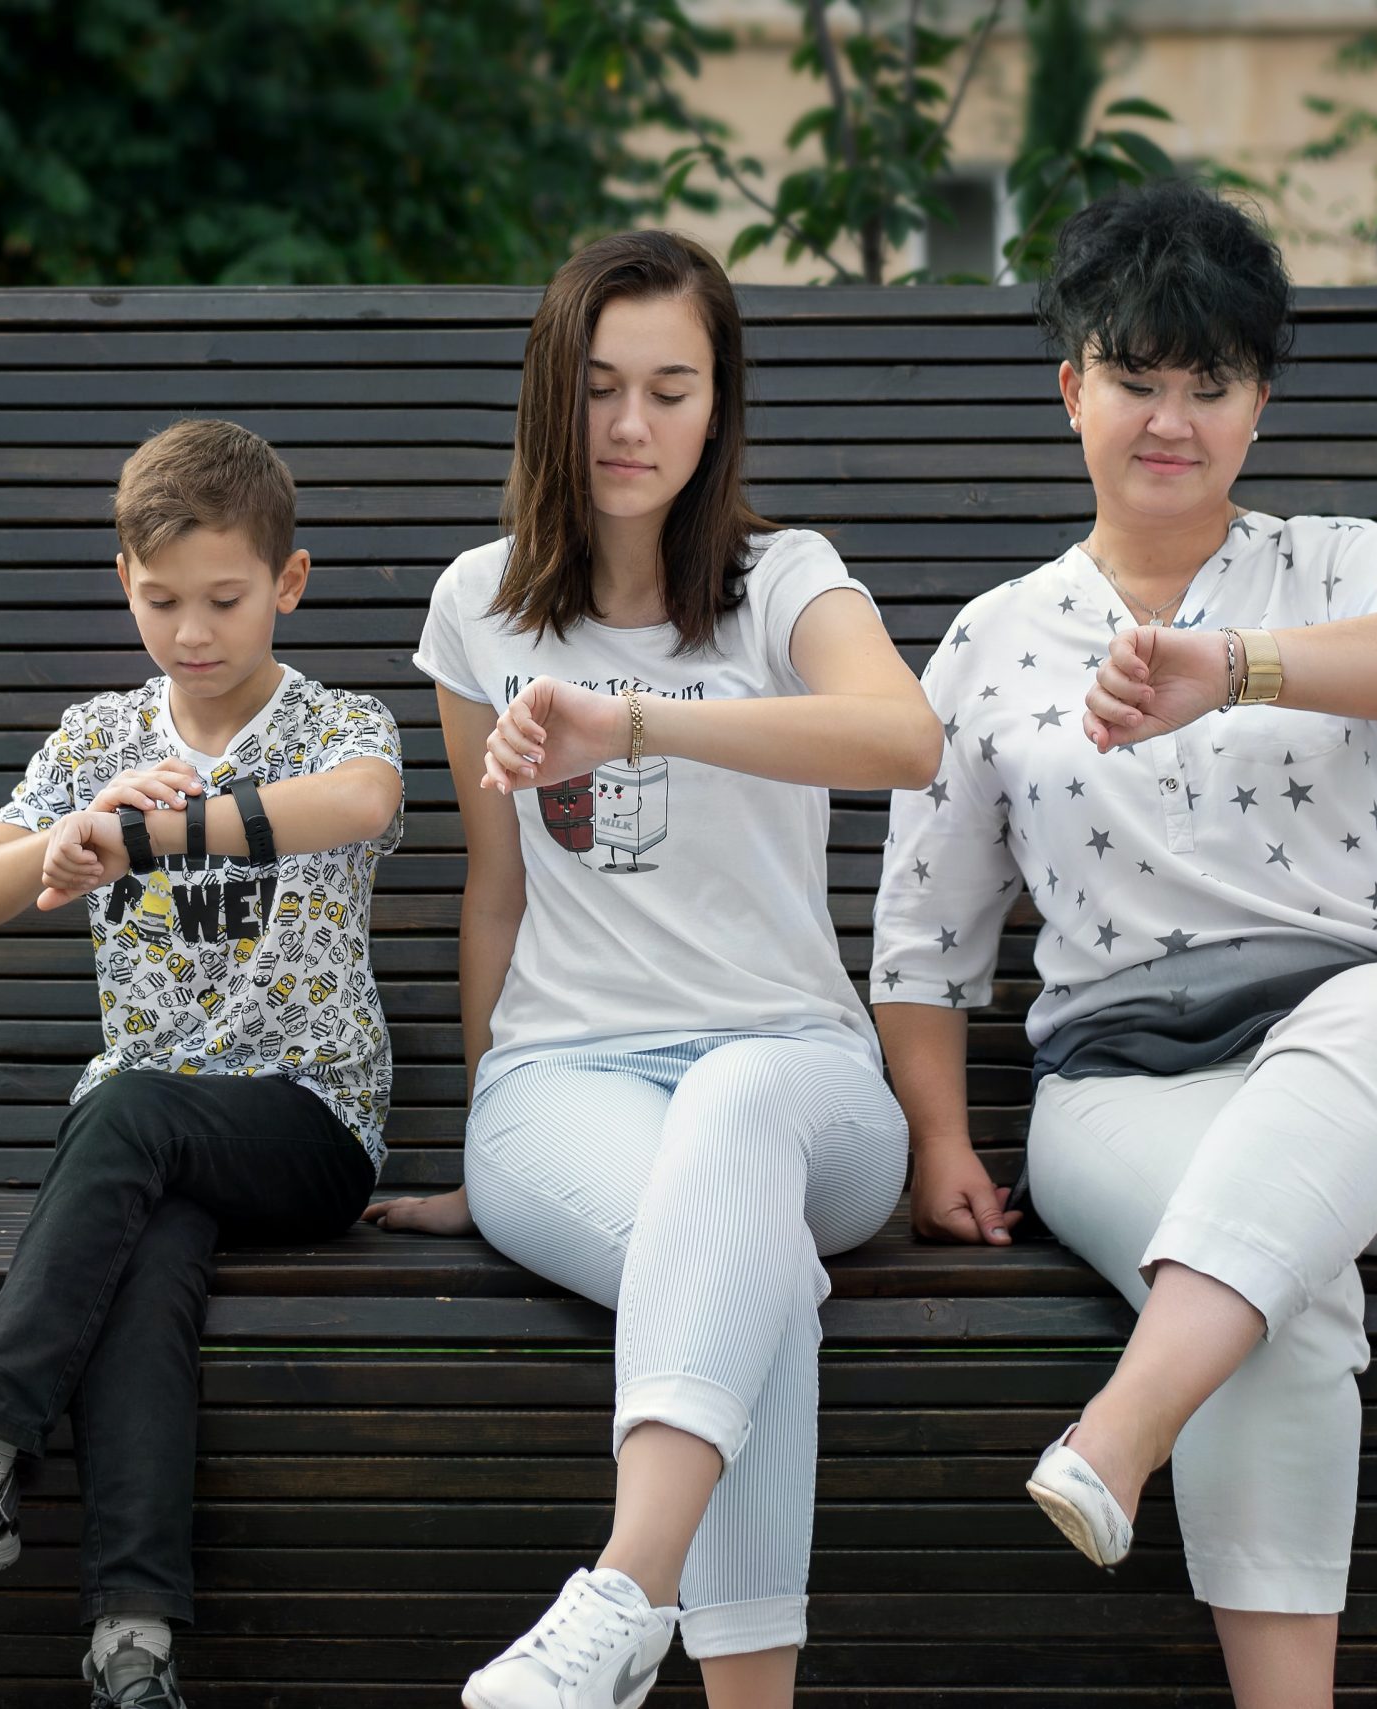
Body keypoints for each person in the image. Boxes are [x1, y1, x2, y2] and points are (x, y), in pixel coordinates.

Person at [869, 181, 1377, 1709]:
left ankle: (1119, 1436)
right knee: (1271, 1280)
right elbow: (927, 933)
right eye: (1134, 378)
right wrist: (941, 1135)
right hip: (1127, 1091)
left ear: (1258, 404)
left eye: (1209, 385)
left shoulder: (1343, 566)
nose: (1169, 419)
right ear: (1071, 388)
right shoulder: (995, 639)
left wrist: (1235, 669)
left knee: (1373, 1018)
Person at [363, 229, 941, 1709]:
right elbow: (495, 892)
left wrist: (637, 723)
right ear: (553, 396)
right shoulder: (479, 604)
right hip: (570, 1082)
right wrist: (492, 1128)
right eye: (601, 386)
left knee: (742, 1128)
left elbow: (903, 736)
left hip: (805, 1082)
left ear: (718, 402)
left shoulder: (782, 583)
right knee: (755, 1280)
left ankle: (622, 1590)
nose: (630, 427)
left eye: (671, 389)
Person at [0, 418, 404, 1709]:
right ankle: (135, 1647)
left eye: (225, 598)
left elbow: (364, 807)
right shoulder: (97, 735)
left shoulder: (340, 719)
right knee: (145, 1264)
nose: (192, 631)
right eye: (161, 599)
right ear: (125, 578)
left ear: (287, 582)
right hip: (139, 1150)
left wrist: (155, 837)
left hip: (306, 1127)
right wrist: (68, 833)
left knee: (127, 1113)